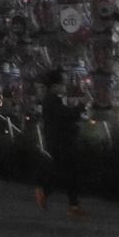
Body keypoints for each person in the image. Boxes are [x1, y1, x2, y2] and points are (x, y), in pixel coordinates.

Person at [36, 68, 85, 215]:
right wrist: (81, 106)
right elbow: (66, 116)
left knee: (68, 173)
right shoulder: (52, 101)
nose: (65, 86)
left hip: (60, 141)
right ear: (55, 85)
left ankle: (72, 205)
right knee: (65, 173)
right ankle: (45, 192)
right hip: (60, 142)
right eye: (63, 83)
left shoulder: (52, 100)